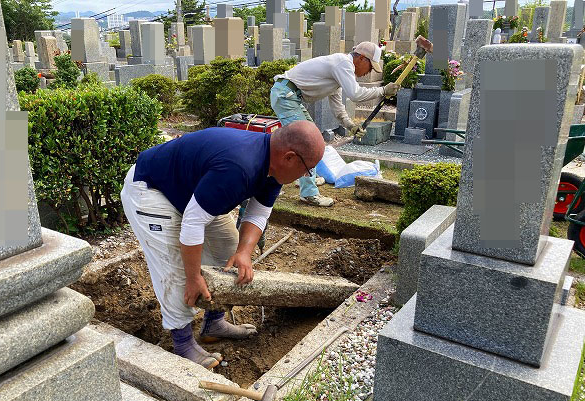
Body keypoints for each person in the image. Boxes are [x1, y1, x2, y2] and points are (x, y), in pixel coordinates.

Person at [120, 121, 325, 369]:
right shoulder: (239, 167)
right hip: (152, 190)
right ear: (290, 157)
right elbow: (193, 224)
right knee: (175, 269)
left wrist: (244, 252)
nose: (306, 176)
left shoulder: (273, 165)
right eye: (307, 169)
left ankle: (213, 322)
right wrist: (194, 276)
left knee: (228, 245)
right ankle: (182, 343)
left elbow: (258, 213)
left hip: (191, 193)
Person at [270, 41, 400, 207]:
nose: (368, 73)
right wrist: (383, 90)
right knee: (306, 141)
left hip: (288, 96)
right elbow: (355, 94)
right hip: (286, 96)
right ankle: (308, 193)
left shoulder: (339, 72)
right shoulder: (343, 63)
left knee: (311, 137)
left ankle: (304, 176)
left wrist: (350, 125)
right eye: (370, 67)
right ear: (362, 58)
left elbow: (338, 108)